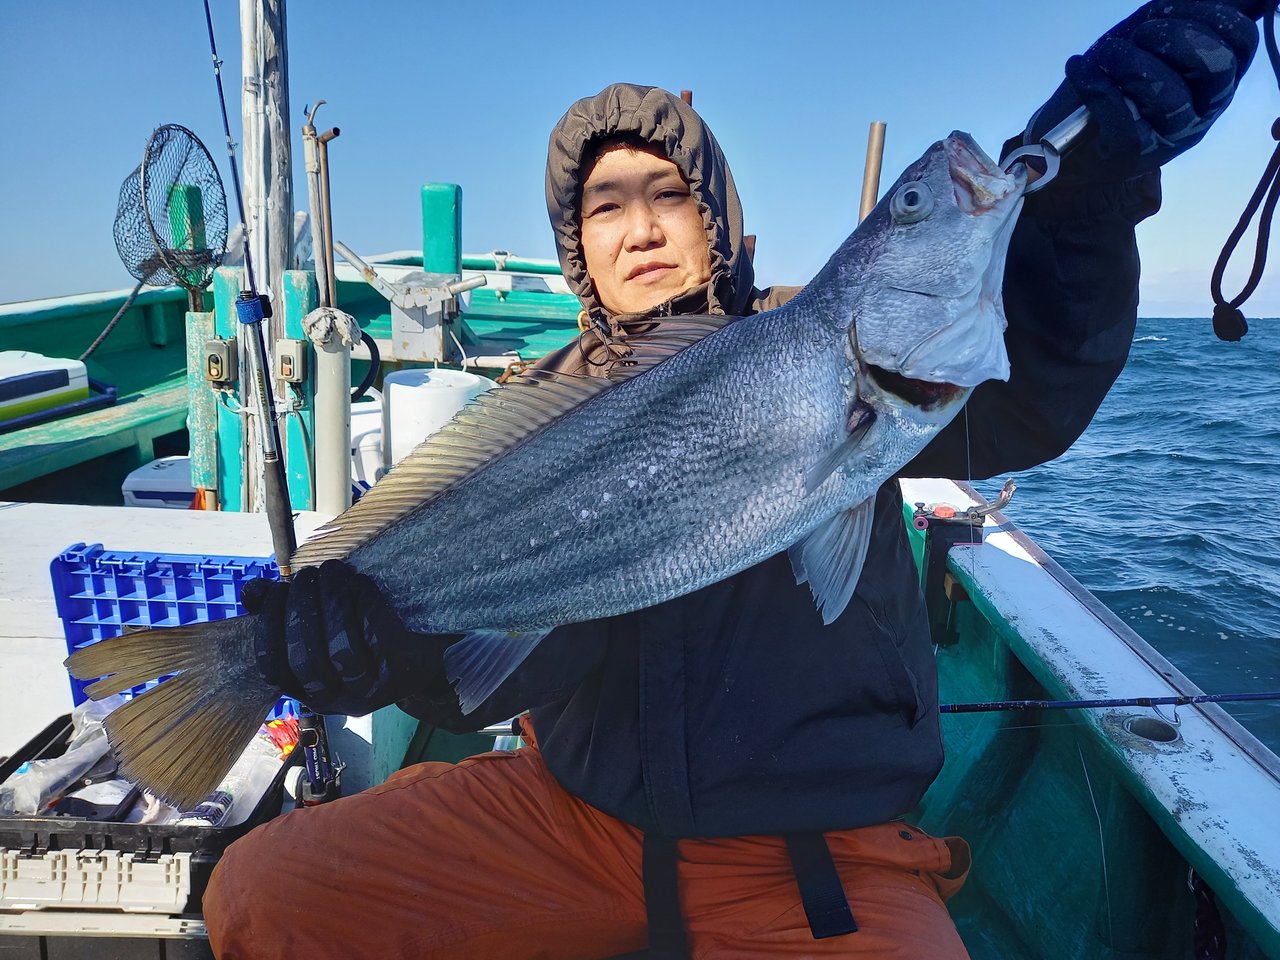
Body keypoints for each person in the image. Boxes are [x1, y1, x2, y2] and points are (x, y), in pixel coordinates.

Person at [203, 2, 1263, 956]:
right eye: (604, 207)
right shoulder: (540, 404)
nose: (640, 227)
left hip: (816, 852)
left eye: (667, 193)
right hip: (571, 818)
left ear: (712, 213)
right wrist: (383, 654)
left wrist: (1084, 198)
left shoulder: (817, 346)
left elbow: (1035, 390)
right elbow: (501, 674)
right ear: (576, 246)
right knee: (262, 893)